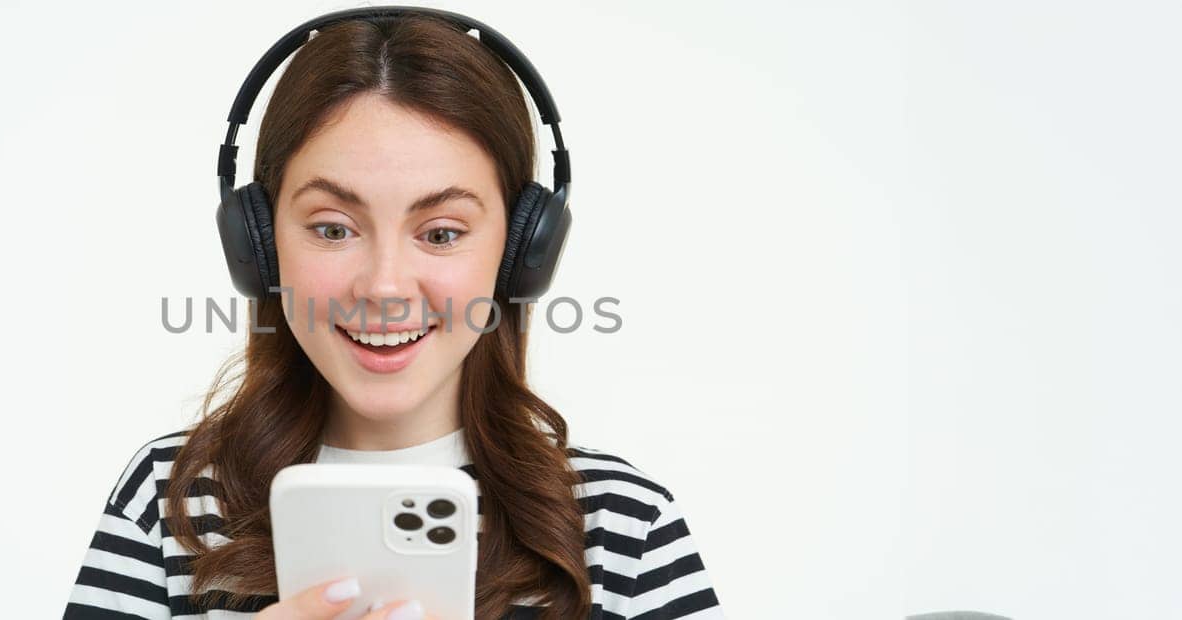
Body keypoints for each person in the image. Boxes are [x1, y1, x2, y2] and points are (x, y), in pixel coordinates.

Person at [65, 9, 724, 620]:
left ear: (522, 250)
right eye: (331, 228)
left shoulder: (622, 528)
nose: (383, 287)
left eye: (440, 233)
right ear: (260, 245)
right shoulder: (170, 498)